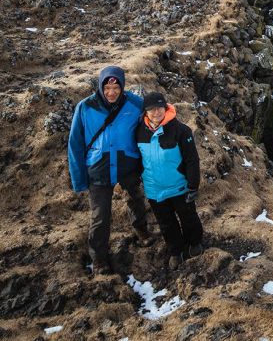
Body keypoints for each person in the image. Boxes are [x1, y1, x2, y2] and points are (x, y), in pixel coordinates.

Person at [67, 66, 151, 275]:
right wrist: (79, 179)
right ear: (100, 86)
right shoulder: (85, 107)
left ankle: (142, 232)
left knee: (137, 200)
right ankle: (99, 259)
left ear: (122, 86)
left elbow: (151, 125)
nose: (111, 92)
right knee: (100, 216)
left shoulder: (135, 104)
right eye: (107, 87)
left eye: (116, 87)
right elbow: (75, 144)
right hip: (99, 168)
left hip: (128, 164)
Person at [136, 91, 203, 268]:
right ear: (145, 112)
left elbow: (192, 160)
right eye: (151, 109)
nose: (156, 112)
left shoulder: (181, 130)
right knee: (166, 224)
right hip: (154, 189)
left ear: (166, 108)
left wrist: (193, 185)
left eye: (160, 108)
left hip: (180, 186)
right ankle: (176, 251)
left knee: (188, 217)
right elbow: (136, 160)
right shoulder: (138, 132)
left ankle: (195, 243)